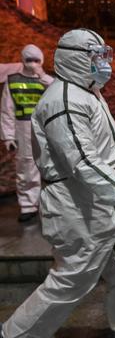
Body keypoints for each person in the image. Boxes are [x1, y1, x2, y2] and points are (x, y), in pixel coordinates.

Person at [0, 29, 115, 338]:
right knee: (74, 275)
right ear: (76, 58)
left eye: (104, 56)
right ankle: (17, 336)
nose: (103, 64)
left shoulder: (85, 93)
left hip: (103, 198)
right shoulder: (62, 101)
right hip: (77, 205)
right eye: (96, 57)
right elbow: (83, 161)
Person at [0, 45, 54, 222]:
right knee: (26, 168)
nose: (32, 64)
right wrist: (8, 136)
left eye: (36, 60)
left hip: (46, 129)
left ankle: (54, 205)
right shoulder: (13, 80)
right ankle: (28, 206)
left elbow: (57, 92)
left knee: (53, 167)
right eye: (29, 60)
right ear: (23, 60)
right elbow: (7, 109)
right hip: (23, 130)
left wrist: (42, 75)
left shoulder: (46, 80)